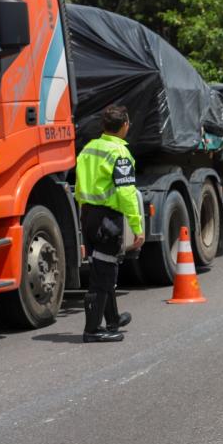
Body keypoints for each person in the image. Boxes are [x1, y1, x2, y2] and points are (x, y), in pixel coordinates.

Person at [74, 104, 145, 343]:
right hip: (106, 219)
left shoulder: (88, 149)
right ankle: (92, 330)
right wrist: (137, 227)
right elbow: (126, 193)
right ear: (124, 125)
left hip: (88, 214)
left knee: (103, 267)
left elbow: (79, 187)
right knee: (104, 274)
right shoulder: (119, 154)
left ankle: (112, 319)